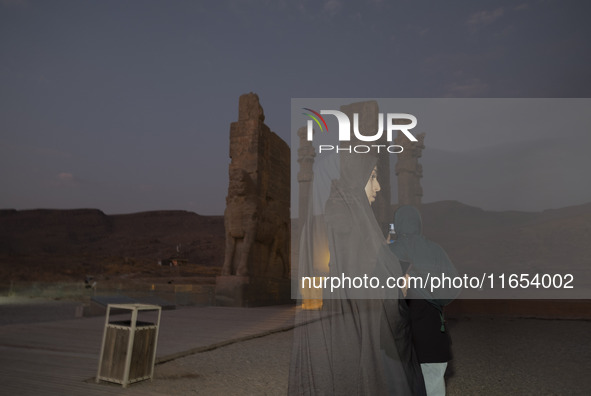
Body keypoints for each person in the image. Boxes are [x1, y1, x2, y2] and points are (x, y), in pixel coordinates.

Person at [289, 151, 426, 395]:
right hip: (372, 333)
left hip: (358, 330)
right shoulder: (353, 224)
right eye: (372, 177)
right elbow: (361, 281)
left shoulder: (347, 219)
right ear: (356, 179)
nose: (379, 186)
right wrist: (398, 285)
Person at [389, 205, 461, 396]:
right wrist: (435, 298)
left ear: (397, 225)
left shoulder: (389, 251)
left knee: (400, 386)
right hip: (431, 332)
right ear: (419, 224)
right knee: (433, 384)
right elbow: (454, 286)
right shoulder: (435, 250)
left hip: (398, 335)